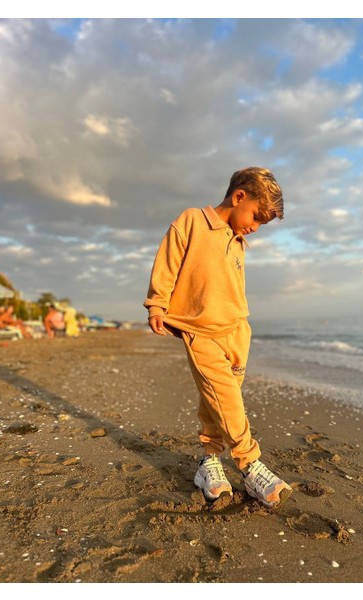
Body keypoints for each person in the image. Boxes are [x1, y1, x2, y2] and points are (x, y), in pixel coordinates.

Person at [144, 167, 292, 508]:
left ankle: (209, 460)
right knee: (227, 397)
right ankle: (250, 465)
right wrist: (157, 304)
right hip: (201, 331)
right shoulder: (193, 221)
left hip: (237, 331)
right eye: (255, 217)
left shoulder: (238, 241)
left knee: (219, 400)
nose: (254, 228)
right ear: (239, 196)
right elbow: (168, 261)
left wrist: (241, 325)